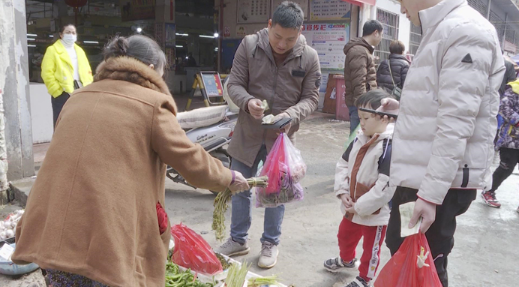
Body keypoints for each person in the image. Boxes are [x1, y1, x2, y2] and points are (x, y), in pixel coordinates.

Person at [11, 35, 249, 286]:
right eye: (162, 71)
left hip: (53, 235)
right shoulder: (152, 104)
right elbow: (190, 160)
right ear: (149, 69)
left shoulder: (76, 98)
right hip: (105, 246)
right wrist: (228, 176)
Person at [386, 0, 505, 286]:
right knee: (406, 255)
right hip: (424, 174)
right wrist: (404, 109)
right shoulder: (445, 27)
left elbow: (456, 122)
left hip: (436, 182)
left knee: (424, 263)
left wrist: (430, 195)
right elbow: (442, 104)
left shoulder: (466, 30)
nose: (400, 7)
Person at [216, 1, 320, 269]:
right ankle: (238, 239)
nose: (282, 44)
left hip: (280, 139)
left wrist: (293, 113)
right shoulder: (249, 46)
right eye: (277, 37)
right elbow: (234, 84)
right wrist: (248, 102)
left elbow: (311, 98)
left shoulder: (308, 57)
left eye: (290, 39)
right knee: (240, 187)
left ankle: (270, 242)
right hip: (247, 134)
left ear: (299, 32)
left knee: (276, 192)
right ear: (269, 25)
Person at [324, 90, 394, 287]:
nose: (361, 122)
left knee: (372, 248)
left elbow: (386, 186)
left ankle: (365, 278)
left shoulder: (389, 145)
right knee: (344, 235)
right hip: (351, 205)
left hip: (376, 212)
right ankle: (346, 260)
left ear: (385, 118)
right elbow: (343, 164)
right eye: (360, 117)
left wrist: (361, 206)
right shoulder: (359, 138)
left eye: (366, 118)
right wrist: (343, 191)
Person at [41, 24, 93, 128]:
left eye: (73, 33)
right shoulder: (52, 50)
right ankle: (60, 144)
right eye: (68, 32)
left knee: (80, 121)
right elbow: (47, 73)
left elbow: (87, 70)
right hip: (63, 92)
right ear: (61, 34)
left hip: (80, 89)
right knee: (61, 122)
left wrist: (89, 85)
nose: (71, 35)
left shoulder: (80, 51)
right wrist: (57, 90)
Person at [481, 79, 519, 210]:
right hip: (511, 140)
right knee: (506, 169)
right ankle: (488, 191)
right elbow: (504, 107)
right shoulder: (514, 89)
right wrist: (517, 120)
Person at [343, 20, 383, 134]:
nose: (381, 38)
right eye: (381, 35)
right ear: (375, 33)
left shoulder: (363, 50)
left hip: (362, 104)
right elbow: (359, 81)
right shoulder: (359, 51)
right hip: (360, 105)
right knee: (356, 139)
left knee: (361, 139)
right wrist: (363, 108)